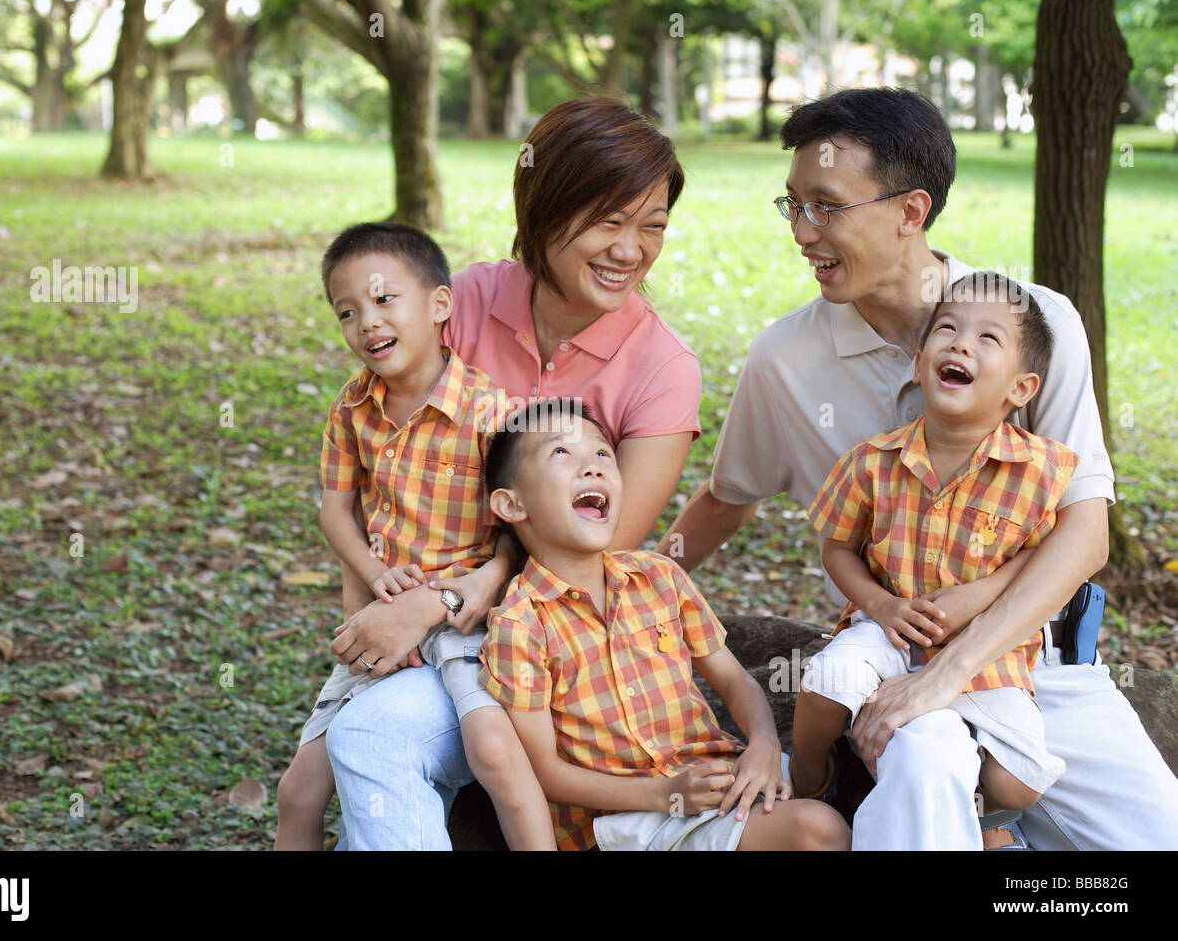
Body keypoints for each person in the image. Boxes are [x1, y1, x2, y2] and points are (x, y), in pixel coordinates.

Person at [659, 86, 1178, 850]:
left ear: (910, 211)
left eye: (826, 206)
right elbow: (726, 499)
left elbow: (1085, 534)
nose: (803, 232)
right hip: (891, 669)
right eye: (793, 204)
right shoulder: (786, 360)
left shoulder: (1038, 327)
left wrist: (952, 668)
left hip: (1041, 665)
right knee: (926, 781)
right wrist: (622, 589)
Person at [321, 98, 705, 849]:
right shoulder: (463, 302)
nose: (631, 249)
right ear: (543, 207)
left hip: (560, 653)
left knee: (370, 739)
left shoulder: (664, 370)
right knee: (359, 741)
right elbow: (376, 465)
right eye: (607, 220)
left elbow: (594, 550)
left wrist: (435, 602)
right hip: (432, 637)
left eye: (652, 224)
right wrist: (373, 618)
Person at [273, 222, 555, 851]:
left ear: (439, 306)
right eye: (347, 311)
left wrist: (477, 582)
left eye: (383, 299)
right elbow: (334, 512)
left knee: (497, 756)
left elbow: (523, 527)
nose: (366, 322)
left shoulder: (491, 412)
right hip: (387, 610)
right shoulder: (352, 408)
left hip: (467, 623)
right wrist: (375, 588)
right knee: (298, 793)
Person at [479, 398, 850, 851]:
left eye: (601, 454)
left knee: (833, 809)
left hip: (715, 784)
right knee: (818, 831)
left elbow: (733, 679)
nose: (592, 467)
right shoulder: (520, 625)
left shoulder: (659, 577)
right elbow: (545, 772)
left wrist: (764, 747)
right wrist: (663, 795)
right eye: (562, 453)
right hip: (625, 821)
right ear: (511, 504)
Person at [792, 278, 1075, 819]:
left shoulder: (1042, 471)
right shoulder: (872, 461)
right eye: (947, 328)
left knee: (1019, 783)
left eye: (987, 338)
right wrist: (881, 606)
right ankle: (810, 775)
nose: (961, 344)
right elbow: (838, 551)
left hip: (990, 649)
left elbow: (1045, 554)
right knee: (824, 685)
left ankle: (982, 820)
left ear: (1020, 388)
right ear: (919, 363)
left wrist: (980, 596)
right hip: (888, 629)